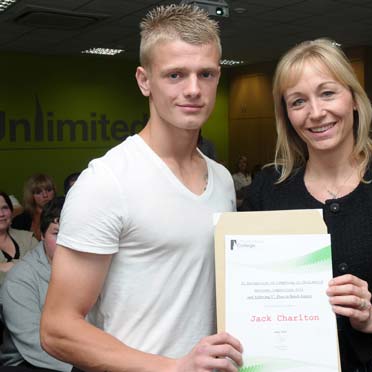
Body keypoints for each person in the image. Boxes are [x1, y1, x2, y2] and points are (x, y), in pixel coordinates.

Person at [40, 4, 242, 372]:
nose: (194, 89)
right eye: (175, 75)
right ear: (144, 80)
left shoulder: (223, 179)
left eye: (207, 74)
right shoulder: (107, 181)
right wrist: (173, 367)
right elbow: (57, 329)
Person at [242, 38, 372, 371]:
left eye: (327, 93)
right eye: (298, 101)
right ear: (287, 115)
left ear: (353, 98)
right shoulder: (268, 190)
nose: (316, 112)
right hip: (283, 361)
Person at [0, 197, 72, 372]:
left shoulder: (90, 269)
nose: (65, 241)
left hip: (82, 355)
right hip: (31, 362)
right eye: (56, 233)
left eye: (71, 233)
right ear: (41, 235)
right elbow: (35, 343)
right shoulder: (19, 279)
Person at [0, 191, 38, 284]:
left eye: (4, 208)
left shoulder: (28, 238)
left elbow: (43, 267)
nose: (1, 214)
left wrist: (10, 266)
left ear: (11, 211)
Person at [12, 173, 56, 240]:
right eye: (38, 192)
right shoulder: (21, 220)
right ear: (31, 196)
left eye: (49, 190)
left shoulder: (63, 214)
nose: (45, 195)